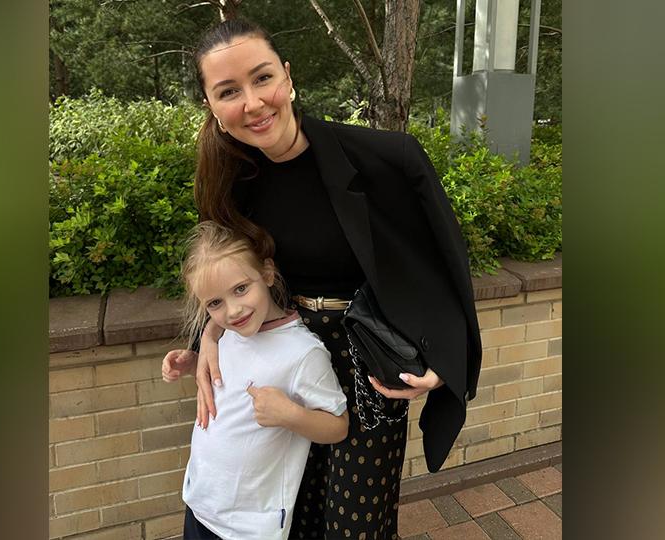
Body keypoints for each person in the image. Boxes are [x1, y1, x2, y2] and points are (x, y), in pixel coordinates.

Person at [162, 18, 483, 540]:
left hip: (366, 363)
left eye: (262, 78)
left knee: (355, 528)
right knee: (293, 519)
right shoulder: (231, 181)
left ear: (287, 77)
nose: (253, 103)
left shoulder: (387, 159)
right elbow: (225, 273)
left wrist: (444, 363)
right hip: (284, 358)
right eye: (228, 91)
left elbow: (443, 267)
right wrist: (209, 337)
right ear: (212, 107)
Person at [171, 220, 349, 540]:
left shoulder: (303, 353)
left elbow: (338, 426)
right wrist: (194, 364)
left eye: (241, 289)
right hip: (200, 503)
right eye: (215, 303)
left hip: (249, 526)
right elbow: (232, 379)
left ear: (267, 273)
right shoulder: (227, 334)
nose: (233, 310)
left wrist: (291, 415)